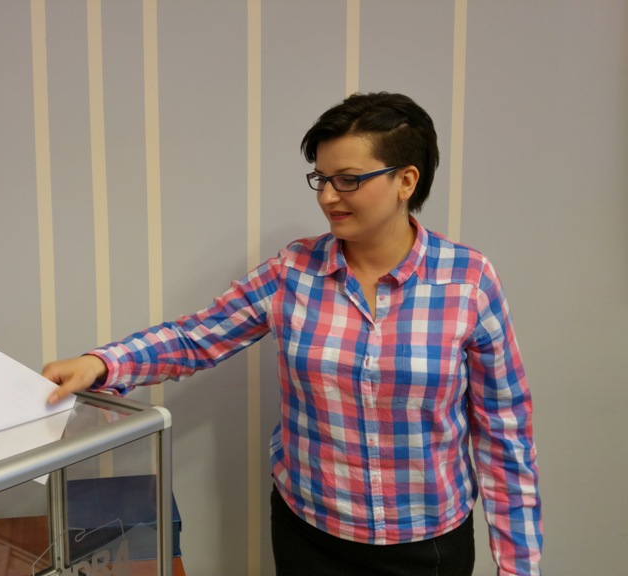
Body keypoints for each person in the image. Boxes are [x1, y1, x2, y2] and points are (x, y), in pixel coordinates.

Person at [42, 92, 542, 575]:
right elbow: (197, 337)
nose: (327, 197)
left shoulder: (468, 281)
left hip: (427, 544)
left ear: (406, 180)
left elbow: (505, 432)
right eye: (321, 179)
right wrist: (102, 363)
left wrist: (519, 566)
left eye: (348, 180)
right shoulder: (293, 271)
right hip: (310, 536)